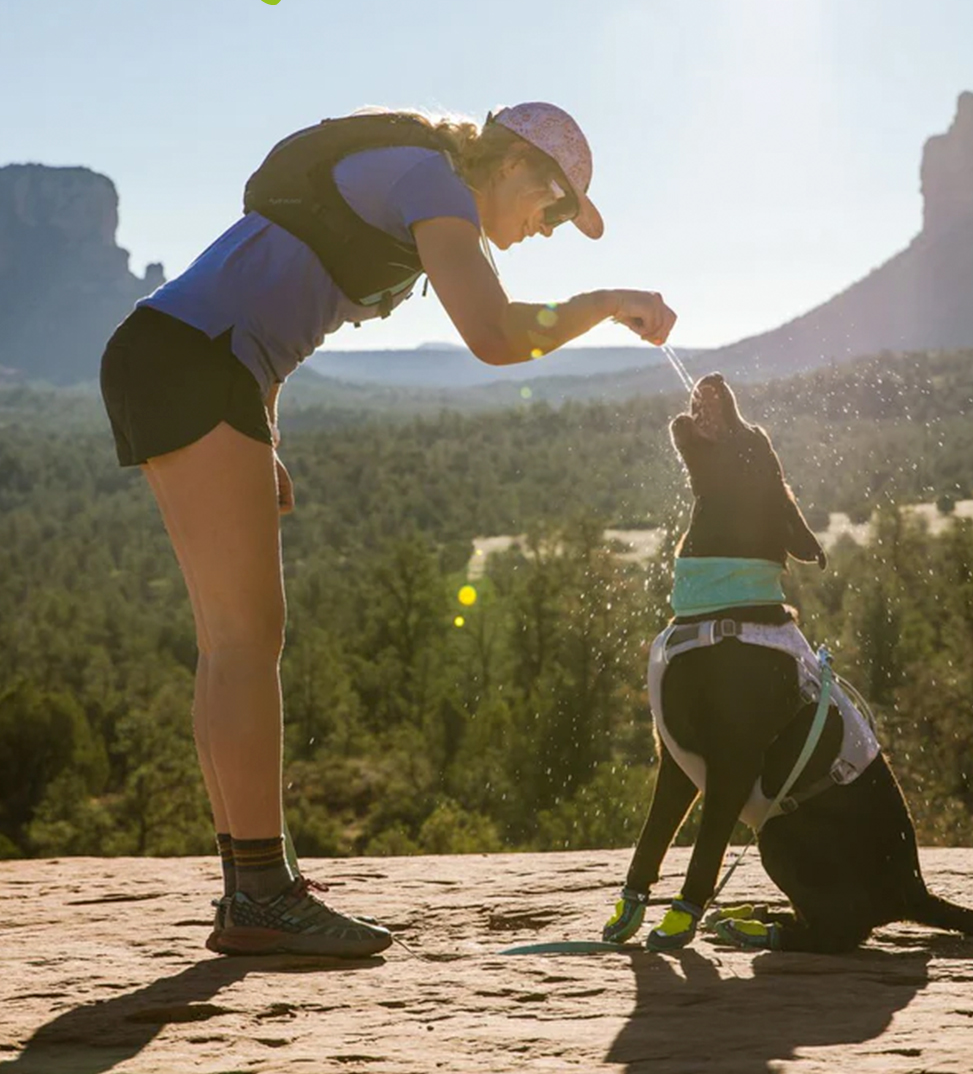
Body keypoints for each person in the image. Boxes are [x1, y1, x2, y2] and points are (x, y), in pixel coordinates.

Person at [98, 101, 677, 958]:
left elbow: (260, 298)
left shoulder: (421, 188)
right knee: (248, 640)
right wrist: (609, 300)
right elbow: (494, 337)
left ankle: (251, 885)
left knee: (231, 641)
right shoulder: (433, 184)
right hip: (192, 364)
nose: (549, 229)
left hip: (186, 361)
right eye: (554, 209)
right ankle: (262, 892)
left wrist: (264, 435)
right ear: (517, 164)